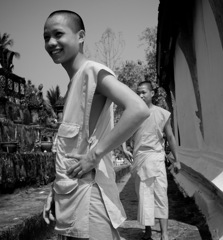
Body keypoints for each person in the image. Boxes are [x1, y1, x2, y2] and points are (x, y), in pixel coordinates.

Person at [42, 10, 150, 240]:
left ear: (80, 36)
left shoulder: (91, 72)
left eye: (58, 34)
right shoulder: (74, 84)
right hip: (69, 200)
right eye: (46, 37)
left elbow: (138, 109)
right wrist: (55, 190)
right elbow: (72, 149)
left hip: (89, 200)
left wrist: (95, 155)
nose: (51, 42)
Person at [122, 81, 181, 240]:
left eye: (143, 92)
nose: (140, 95)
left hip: (155, 158)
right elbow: (124, 130)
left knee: (160, 195)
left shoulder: (162, 113)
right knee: (144, 196)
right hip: (140, 159)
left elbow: (170, 137)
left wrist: (177, 160)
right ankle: (147, 230)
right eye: (138, 93)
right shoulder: (135, 113)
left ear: (152, 93)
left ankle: (165, 233)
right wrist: (124, 147)